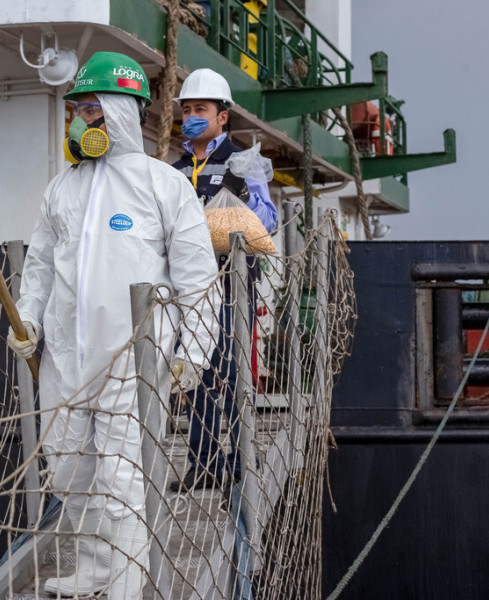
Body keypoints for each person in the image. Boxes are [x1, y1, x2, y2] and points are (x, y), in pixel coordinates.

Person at [6, 51, 220, 599]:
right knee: (71, 474)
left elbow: (198, 277)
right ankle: (97, 569)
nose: (78, 121)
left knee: (124, 479)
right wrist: (28, 317)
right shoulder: (62, 189)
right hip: (65, 363)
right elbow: (39, 267)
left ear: (121, 113)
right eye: (75, 110)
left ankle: (127, 582)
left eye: (90, 109)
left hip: (133, 359)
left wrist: (192, 352)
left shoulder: (163, 186)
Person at [169, 68, 277, 493]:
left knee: (230, 371)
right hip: (187, 286)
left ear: (222, 116)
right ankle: (204, 462)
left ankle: (239, 458)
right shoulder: (172, 170)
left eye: (201, 109)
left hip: (232, 283)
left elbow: (265, 223)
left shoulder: (241, 162)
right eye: (187, 109)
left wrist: (244, 196)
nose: (192, 115)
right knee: (192, 371)